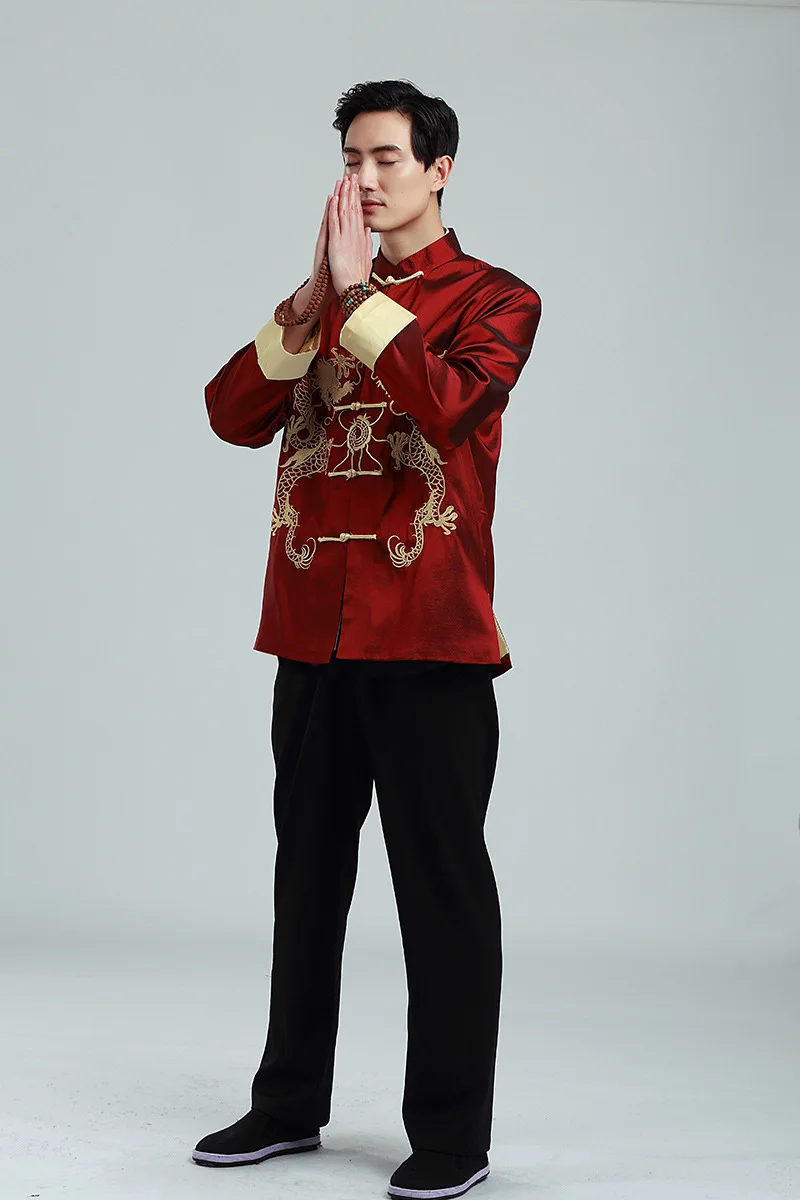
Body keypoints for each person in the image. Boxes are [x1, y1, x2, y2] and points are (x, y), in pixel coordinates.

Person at [192, 79, 542, 1200]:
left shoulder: (498, 299)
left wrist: (356, 298)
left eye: (387, 157)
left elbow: (448, 405)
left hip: (430, 641)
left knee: (441, 887)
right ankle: (286, 1102)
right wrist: (311, 304)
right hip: (312, 636)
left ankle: (451, 1133)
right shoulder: (323, 297)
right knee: (306, 877)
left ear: (440, 169)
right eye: (352, 158)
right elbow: (230, 415)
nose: (366, 178)